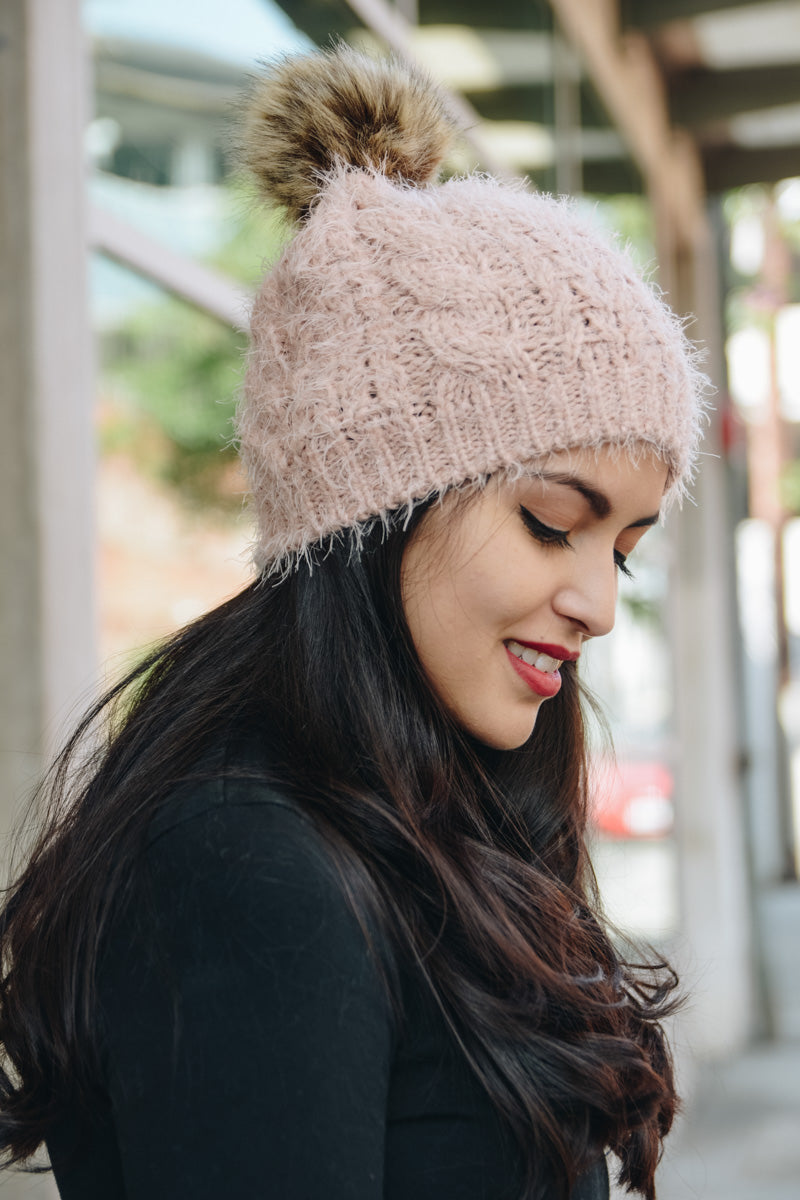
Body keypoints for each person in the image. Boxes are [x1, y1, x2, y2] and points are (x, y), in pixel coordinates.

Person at [0, 46, 706, 1200]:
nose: (597, 603)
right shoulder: (241, 868)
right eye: (547, 523)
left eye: (620, 550)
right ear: (374, 508)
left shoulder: (432, 823)